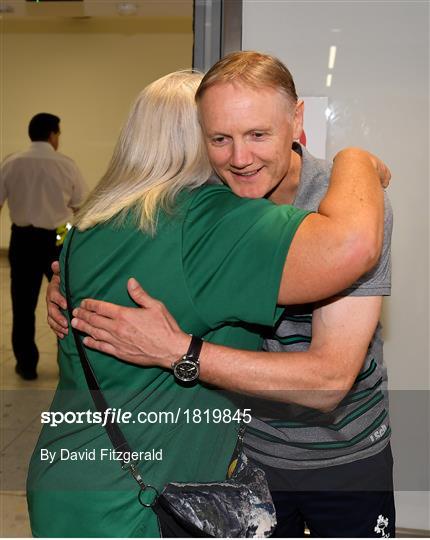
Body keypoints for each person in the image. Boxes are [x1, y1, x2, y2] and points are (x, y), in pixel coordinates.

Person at [52, 52, 395, 538]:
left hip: (343, 459)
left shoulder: (352, 207)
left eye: (258, 134)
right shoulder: (210, 200)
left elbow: (328, 379)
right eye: (220, 139)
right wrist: (67, 283)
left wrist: (182, 353)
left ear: (296, 120)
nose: (239, 157)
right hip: (243, 460)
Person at [0, 112, 87, 380]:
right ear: (52, 135)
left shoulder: (11, 163)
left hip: (21, 238)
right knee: (65, 302)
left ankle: (26, 365)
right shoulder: (66, 165)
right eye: (58, 133)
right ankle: (69, 363)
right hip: (59, 237)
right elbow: (80, 205)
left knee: (23, 304)